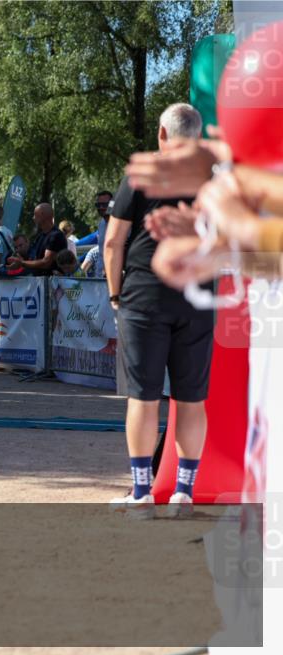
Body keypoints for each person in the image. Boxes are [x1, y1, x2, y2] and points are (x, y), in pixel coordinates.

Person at [105, 102, 211, 517]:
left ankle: (142, 492)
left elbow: (113, 242)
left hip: (145, 297)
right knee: (190, 399)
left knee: (143, 398)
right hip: (197, 298)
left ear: (162, 135)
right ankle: (184, 491)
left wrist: (116, 295)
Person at [6, 203, 66, 276]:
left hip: (52, 284)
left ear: (43, 215)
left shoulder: (56, 235)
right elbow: (35, 260)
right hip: (40, 282)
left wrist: (22, 263)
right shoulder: (41, 236)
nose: (33, 218)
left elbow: (46, 262)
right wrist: (19, 261)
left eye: (35, 215)